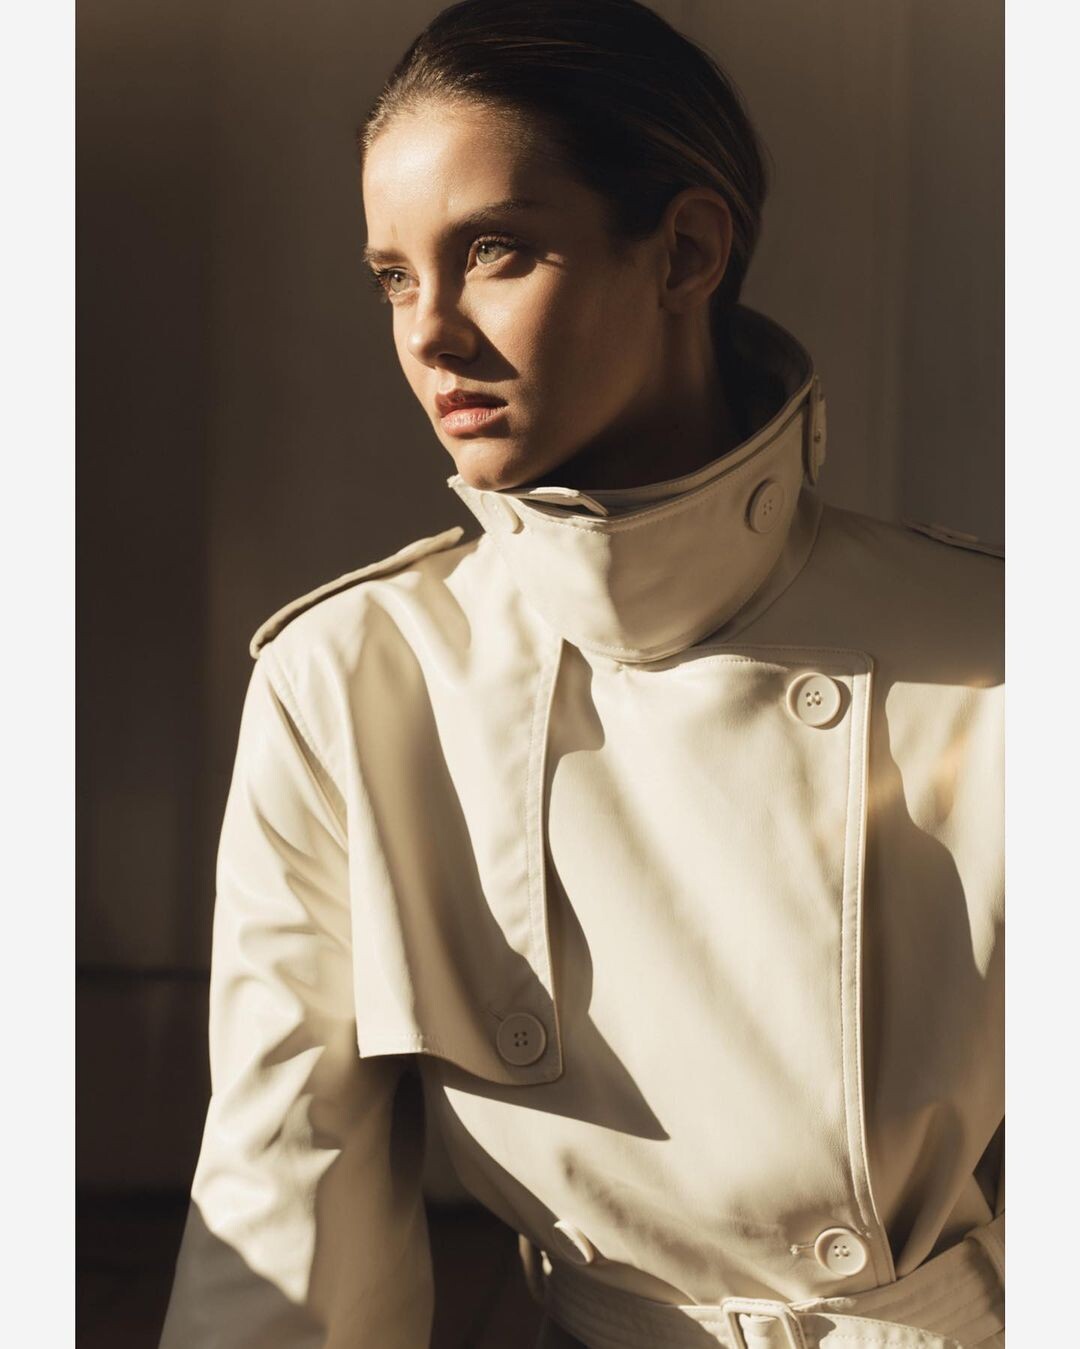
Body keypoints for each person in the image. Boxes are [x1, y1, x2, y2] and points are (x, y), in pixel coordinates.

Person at [158, 1, 1004, 1345]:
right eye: (393, 277)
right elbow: (283, 1211)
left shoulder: (1005, 659)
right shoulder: (352, 684)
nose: (432, 331)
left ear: (686, 250)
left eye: (493, 250)